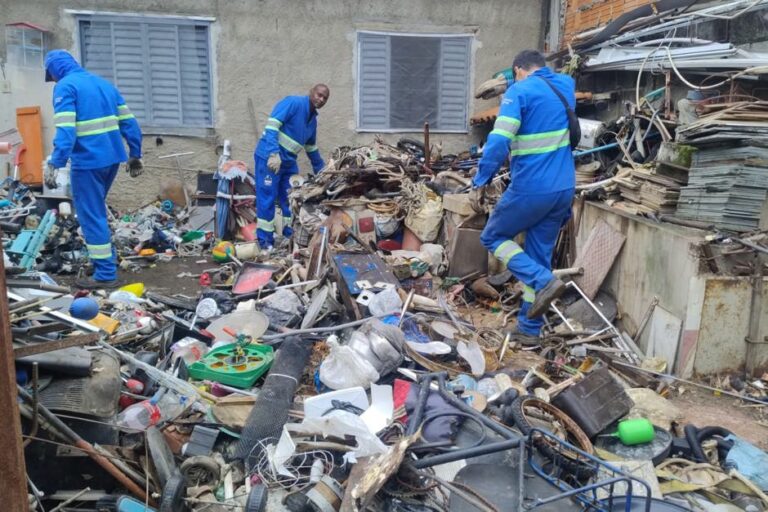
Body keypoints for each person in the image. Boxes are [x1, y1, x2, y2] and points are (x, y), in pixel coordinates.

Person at [471, 49, 576, 344]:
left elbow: (500, 139)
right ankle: (529, 330)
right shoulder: (564, 85)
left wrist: (481, 178)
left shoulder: (519, 91)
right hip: (564, 188)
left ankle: (544, 281)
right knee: (537, 255)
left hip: (532, 187)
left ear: (518, 69)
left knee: (492, 237)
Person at [44, 49, 143, 289]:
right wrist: (135, 154)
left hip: (88, 162)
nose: (53, 81)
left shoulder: (65, 87)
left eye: (52, 76)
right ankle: (103, 262)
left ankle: (105, 274)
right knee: (96, 211)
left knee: (91, 215)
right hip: (112, 160)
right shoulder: (104, 84)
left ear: (55, 71)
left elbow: (66, 130)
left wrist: (55, 163)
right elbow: (130, 123)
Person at [254, 84, 329, 249]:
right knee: (267, 198)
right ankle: (265, 241)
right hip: (270, 159)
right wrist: (273, 153)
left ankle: (289, 234)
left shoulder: (312, 120)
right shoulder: (294, 103)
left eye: (324, 98)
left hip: (288, 163)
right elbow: (272, 125)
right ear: (311, 92)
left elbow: (311, 148)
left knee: (292, 198)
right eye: (319, 94)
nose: (321, 99)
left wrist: (323, 172)